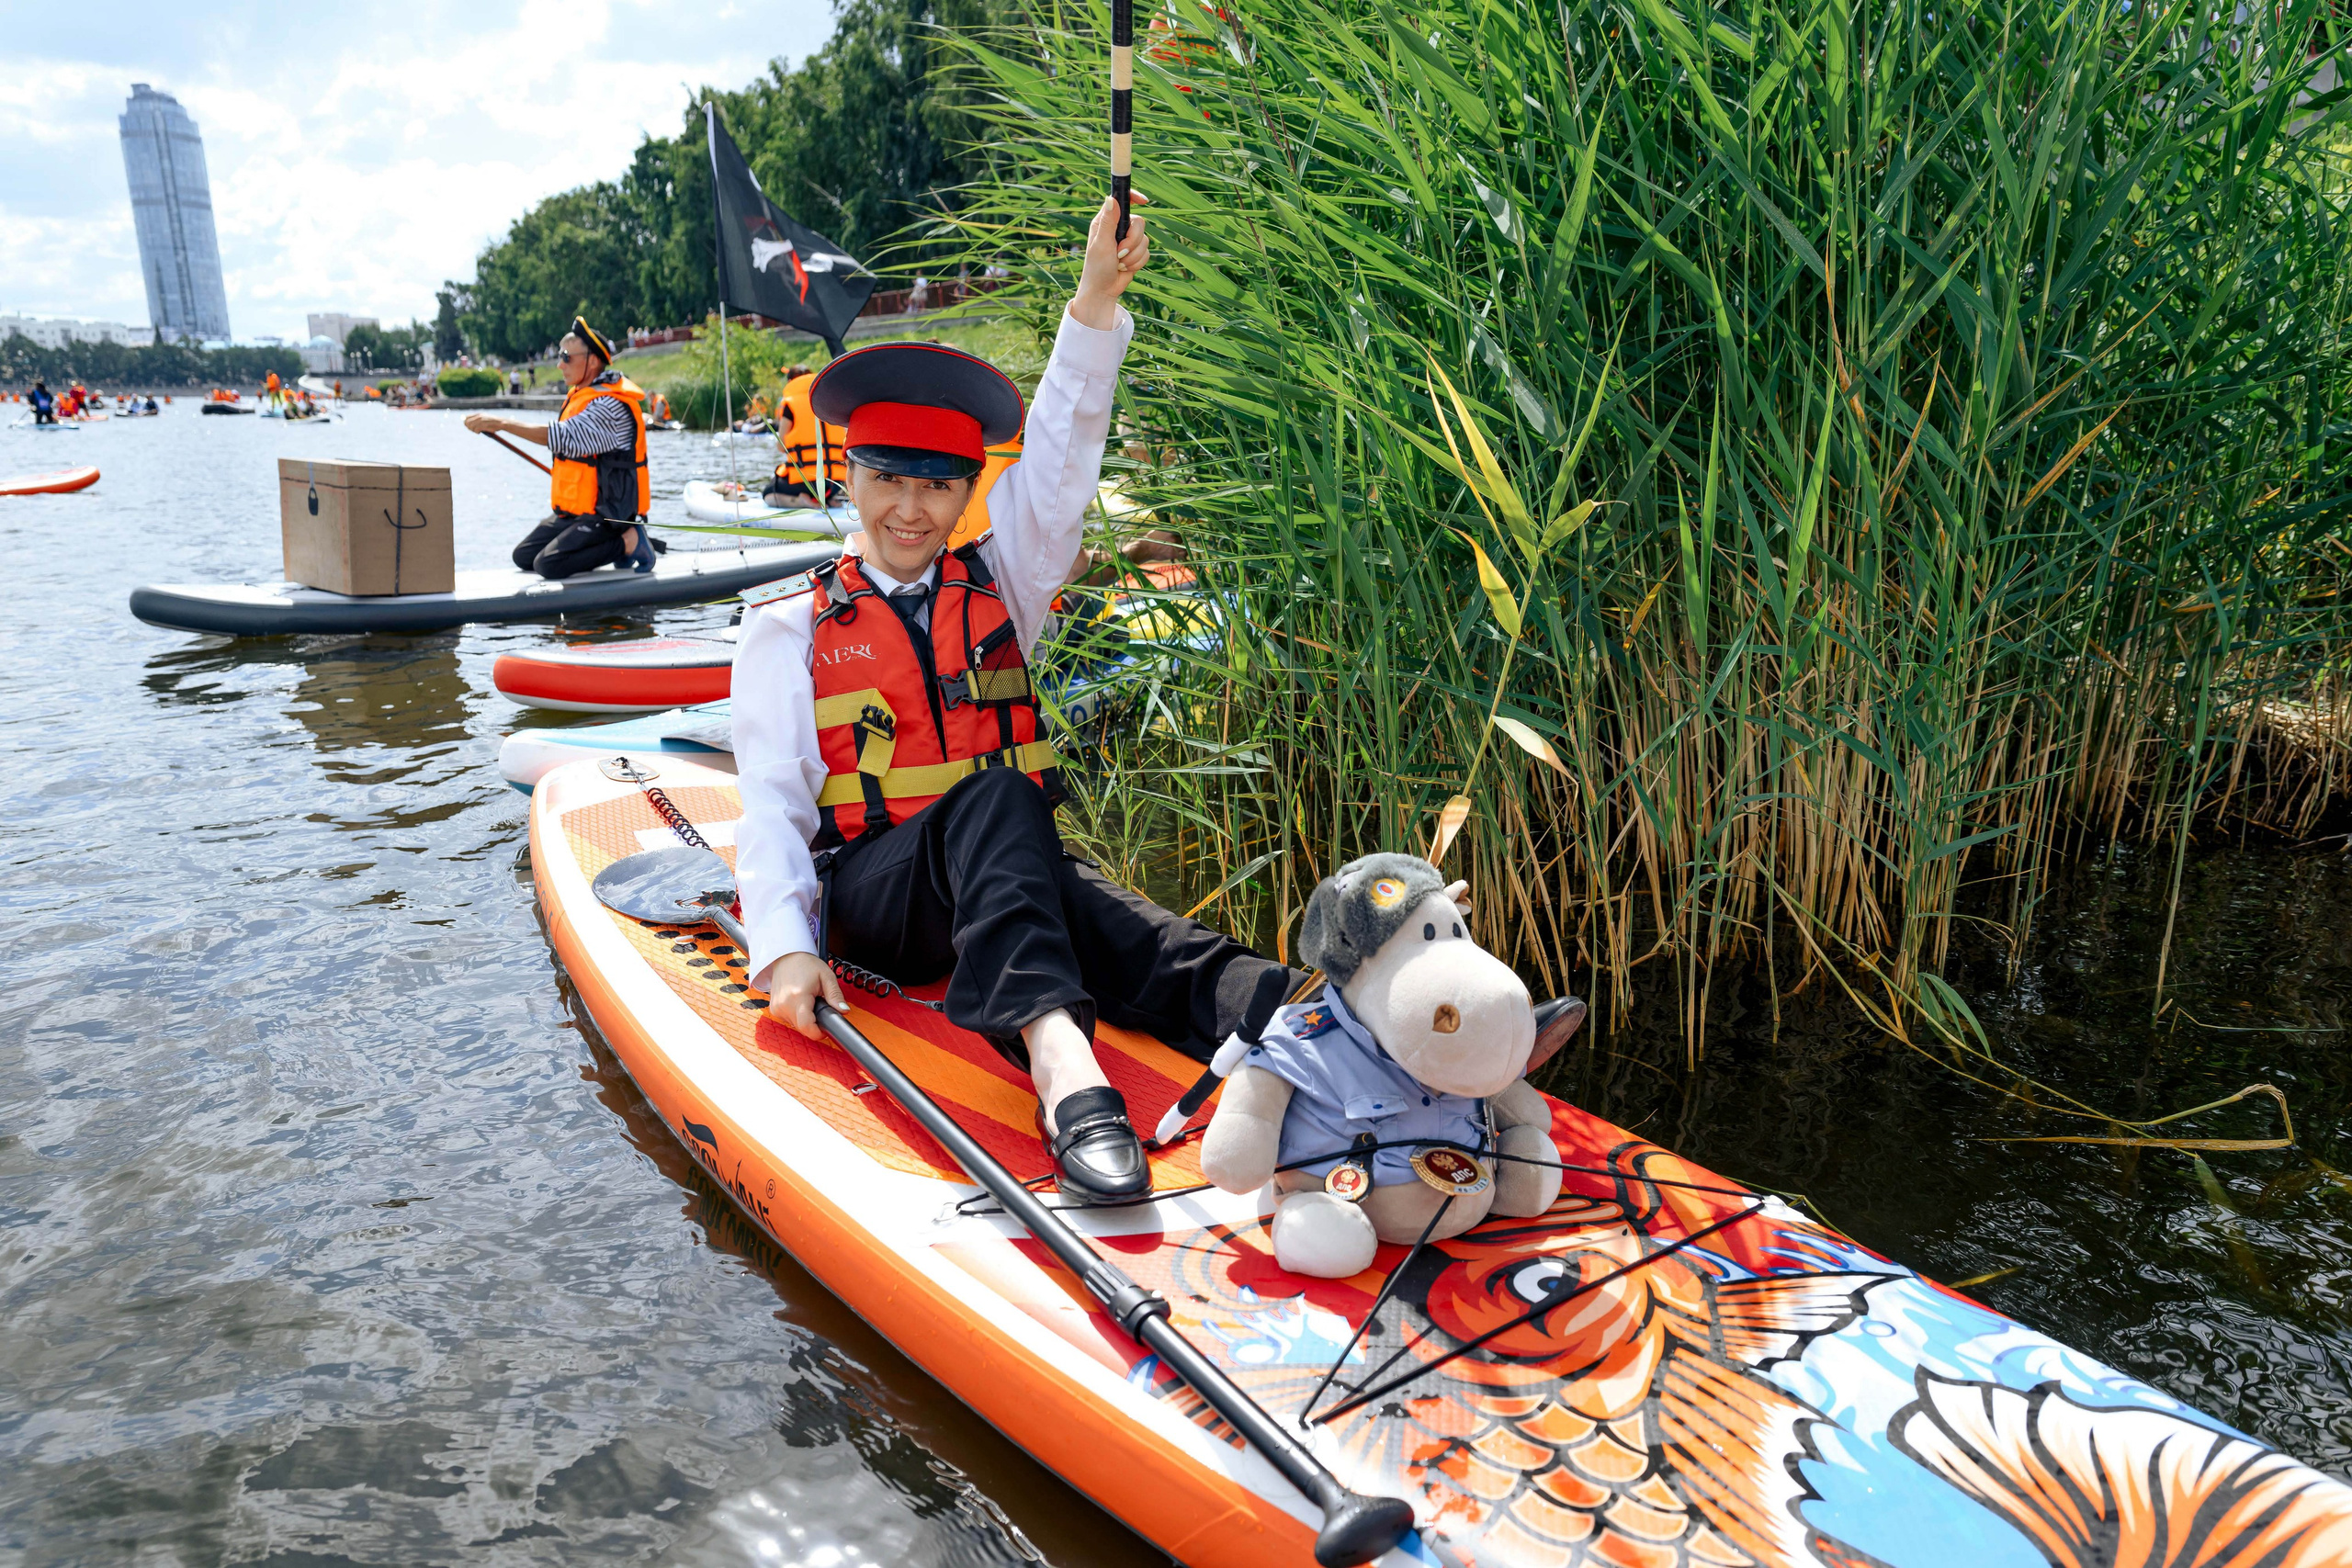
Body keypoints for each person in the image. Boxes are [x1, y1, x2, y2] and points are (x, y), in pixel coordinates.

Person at [734, 195, 1301, 1207]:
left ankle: (1311, 1018)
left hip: (1003, 877)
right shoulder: (785, 626)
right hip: (881, 896)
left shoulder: (1005, 576)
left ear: (965, 496)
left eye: (939, 488)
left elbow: (1059, 455)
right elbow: (773, 804)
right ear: (851, 477)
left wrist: (1095, 296)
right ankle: (1060, 1067)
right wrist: (782, 950)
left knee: (1133, 932)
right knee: (1003, 802)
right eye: (888, 480)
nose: (912, 510)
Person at [466, 317, 653, 579]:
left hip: (608, 513)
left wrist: (501, 423)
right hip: (579, 512)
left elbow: (563, 437)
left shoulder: (609, 405)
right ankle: (615, 546)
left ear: (593, 360)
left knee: (548, 564)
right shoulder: (583, 396)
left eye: (566, 357)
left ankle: (629, 541)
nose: (559, 364)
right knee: (524, 557)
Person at [763, 365, 844, 507]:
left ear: (791, 382)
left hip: (807, 482)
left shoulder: (791, 404)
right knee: (826, 480)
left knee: (769, 494)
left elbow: (781, 446)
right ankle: (829, 499)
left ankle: (802, 502)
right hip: (836, 482)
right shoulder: (833, 402)